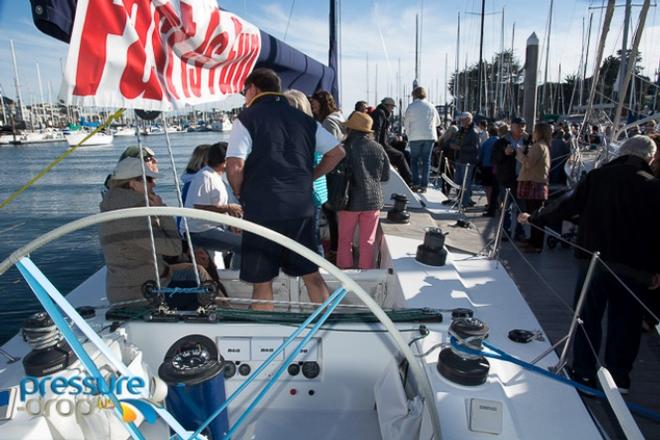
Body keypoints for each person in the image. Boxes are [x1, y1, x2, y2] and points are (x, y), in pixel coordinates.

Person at [519, 135, 660, 392]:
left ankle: (583, 373)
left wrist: (535, 218)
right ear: (648, 158)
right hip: (635, 267)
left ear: (621, 152)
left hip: (594, 261)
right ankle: (618, 379)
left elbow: (566, 205)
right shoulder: (654, 187)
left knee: (588, 318)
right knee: (626, 322)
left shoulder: (598, 178)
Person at [226, 68, 345, 311]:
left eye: (244, 92)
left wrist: (240, 192)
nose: (244, 97)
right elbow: (337, 153)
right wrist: (309, 176)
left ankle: (264, 338)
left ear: (253, 89)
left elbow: (235, 165)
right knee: (311, 273)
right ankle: (327, 322)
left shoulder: (246, 119)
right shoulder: (304, 120)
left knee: (262, 281)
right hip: (300, 207)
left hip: (262, 209)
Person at [99, 157, 209, 304]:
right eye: (149, 180)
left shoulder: (117, 207)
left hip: (139, 282)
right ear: (133, 184)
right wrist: (162, 211)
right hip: (140, 293)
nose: (154, 184)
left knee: (198, 271)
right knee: (206, 292)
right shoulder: (132, 216)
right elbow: (173, 248)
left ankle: (225, 307)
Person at [337, 112, 390, 269]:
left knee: (345, 239)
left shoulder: (344, 148)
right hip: (372, 201)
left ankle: (344, 270)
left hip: (348, 201)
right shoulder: (378, 148)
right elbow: (385, 176)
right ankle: (366, 272)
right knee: (368, 240)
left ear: (351, 129)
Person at [184, 142, 243, 268]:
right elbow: (198, 207)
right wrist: (228, 208)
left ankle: (238, 273)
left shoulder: (215, 176)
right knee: (244, 244)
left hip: (211, 228)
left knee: (247, 240)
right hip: (199, 231)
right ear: (225, 161)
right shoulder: (205, 177)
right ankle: (238, 276)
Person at [284, 89, 328, 256]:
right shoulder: (312, 128)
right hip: (310, 192)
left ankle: (315, 275)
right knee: (310, 239)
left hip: (307, 193)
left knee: (309, 240)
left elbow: (334, 154)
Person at [309, 90, 345, 261]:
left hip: (328, 172)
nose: (312, 107)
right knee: (331, 213)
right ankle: (335, 249)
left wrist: (315, 173)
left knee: (330, 213)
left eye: (314, 103)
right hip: (332, 171)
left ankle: (335, 250)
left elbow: (331, 150)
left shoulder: (327, 123)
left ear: (321, 103)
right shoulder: (336, 118)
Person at [492, 117, 530, 240]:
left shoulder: (528, 141)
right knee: (506, 207)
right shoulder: (502, 141)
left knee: (521, 207)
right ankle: (505, 231)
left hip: (522, 178)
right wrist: (504, 153)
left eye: (524, 125)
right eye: (519, 126)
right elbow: (495, 159)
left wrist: (527, 149)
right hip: (506, 178)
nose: (522, 128)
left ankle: (520, 232)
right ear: (512, 126)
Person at [516, 122, 551, 253]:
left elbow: (528, 163)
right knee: (534, 214)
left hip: (533, 183)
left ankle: (536, 244)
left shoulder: (538, 146)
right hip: (537, 182)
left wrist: (519, 153)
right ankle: (533, 241)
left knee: (535, 215)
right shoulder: (544, 145)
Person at [404, 86, 441, 193]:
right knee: (426, 160)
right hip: (429, 136)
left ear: (414, 95)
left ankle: (416, 183)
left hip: (415, 136)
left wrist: (408, 134)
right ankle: (424, 185)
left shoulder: (411, 107)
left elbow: (406, 123)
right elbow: (438, 122)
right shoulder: (431, 106)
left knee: (414, 160)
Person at [372, 97, 413, 185]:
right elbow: (377, 130)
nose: (392, 110)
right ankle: (409, 182)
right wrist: (377, 148)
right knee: (400, 156)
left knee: (405, 153)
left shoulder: (381, 113)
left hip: (384, 144)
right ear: (387, 106)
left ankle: (408, 178)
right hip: (381, 146)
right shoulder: (380, 113)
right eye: (392, 107)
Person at [450, 112, 480, 206]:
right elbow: (454, 140)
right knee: (458, 182)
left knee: (465, 183)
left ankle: (465, 202)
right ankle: (460, 200)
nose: (461, 121)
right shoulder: (461, 131)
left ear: (468, 120)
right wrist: (452, 144)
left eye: (463, 119)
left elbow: (475, 148)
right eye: (461, 119)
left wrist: (460, 148)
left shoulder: (474, 132)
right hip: (459, 159)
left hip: (467, 161)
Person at [479, 126, 499, 217]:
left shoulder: (486, 142)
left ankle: (490, 203)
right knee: (496, 188)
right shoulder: (500, 142)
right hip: (496, 167)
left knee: (488, 187)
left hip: (486, 166)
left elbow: (481, 155)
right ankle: (497, 204)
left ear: (490, 133)